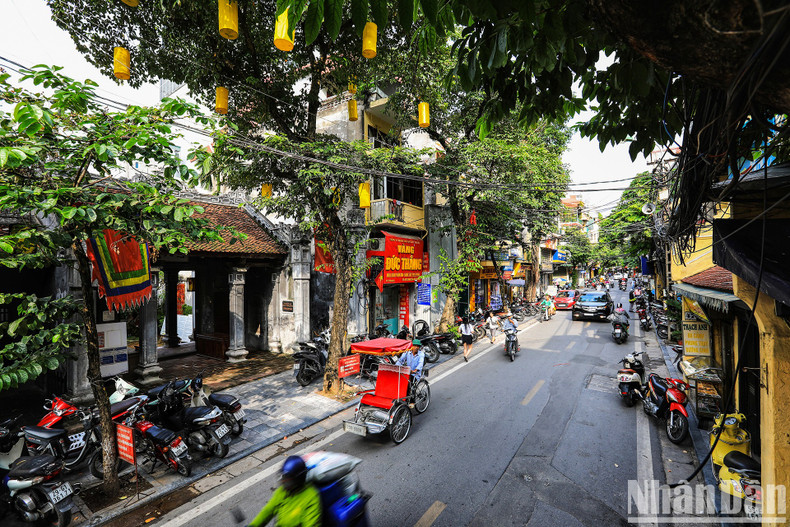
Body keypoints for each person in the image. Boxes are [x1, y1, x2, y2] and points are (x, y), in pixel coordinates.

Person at [248, 455, 321, 527]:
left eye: (288, 480)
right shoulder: (282, 491)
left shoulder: (311, 497)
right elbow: (268, 510)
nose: (284, 482)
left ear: (298, 480)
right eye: (283, 477)